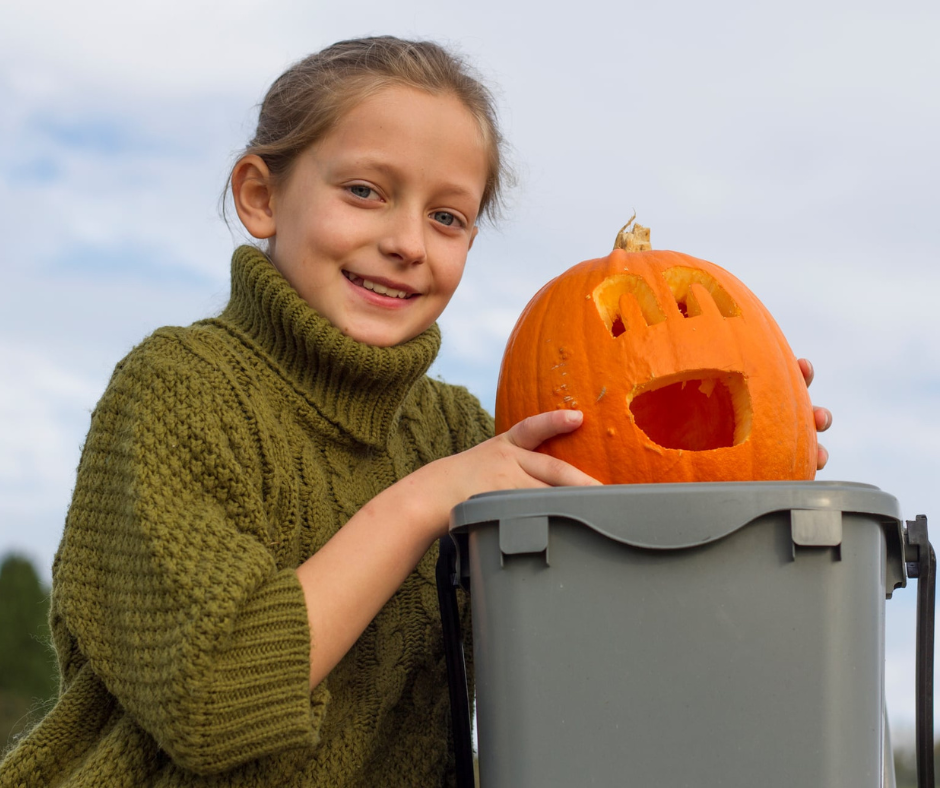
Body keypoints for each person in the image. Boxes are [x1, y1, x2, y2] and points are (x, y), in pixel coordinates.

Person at [0, 36, 830, 788]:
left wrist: (737, 475)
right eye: (365, 191)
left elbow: (608, 650)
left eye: (447, 217)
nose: (408, 241)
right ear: (260, 196)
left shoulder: (460, 433)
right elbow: (218, 699)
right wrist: (424, 502)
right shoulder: (179, 389)